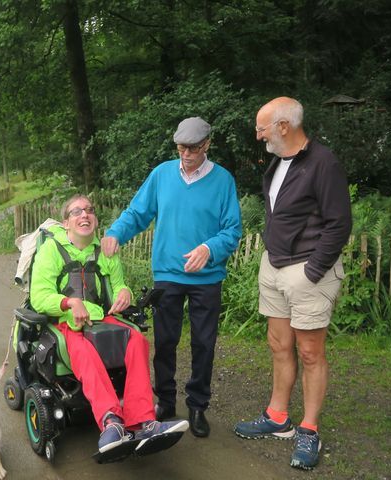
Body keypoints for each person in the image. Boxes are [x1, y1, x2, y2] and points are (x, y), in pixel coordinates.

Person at [101, 117, 242, 438]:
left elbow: (232, 230)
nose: (186, 154)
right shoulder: (162, 174)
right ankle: (165, 400)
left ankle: (197, 406)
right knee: (165, 342)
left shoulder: (223, 181)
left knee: (204, 344)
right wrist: (115, 233)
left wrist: (210, 248)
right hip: (168, 275)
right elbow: (138, 212)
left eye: (193, 148)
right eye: (181, 148)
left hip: (207, 278)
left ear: (206, 145)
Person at [233, 97, 352, 470]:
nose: (258, 135)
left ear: (284, 126)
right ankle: (278, 417)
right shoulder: (279, 160)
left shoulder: (323, 163)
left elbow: (339, 224)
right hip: (274, 267)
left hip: (306, 272)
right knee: (278, 344)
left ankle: (309, 429)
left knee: (311, 353)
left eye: (262, 128)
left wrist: (313, 271)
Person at [30, 194, 189, 457]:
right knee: (84, 351)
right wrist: (69, 302)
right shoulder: (51, 250)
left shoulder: (105, 251)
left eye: (89, 210)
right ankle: (111, 422)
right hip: (68, 323)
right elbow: (39, 296)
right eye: (77, 211)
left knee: (137, 339)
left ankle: (144, 421)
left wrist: (124, 292)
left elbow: (118, 286)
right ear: (65, 222)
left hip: (103, 319)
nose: (85, 215)